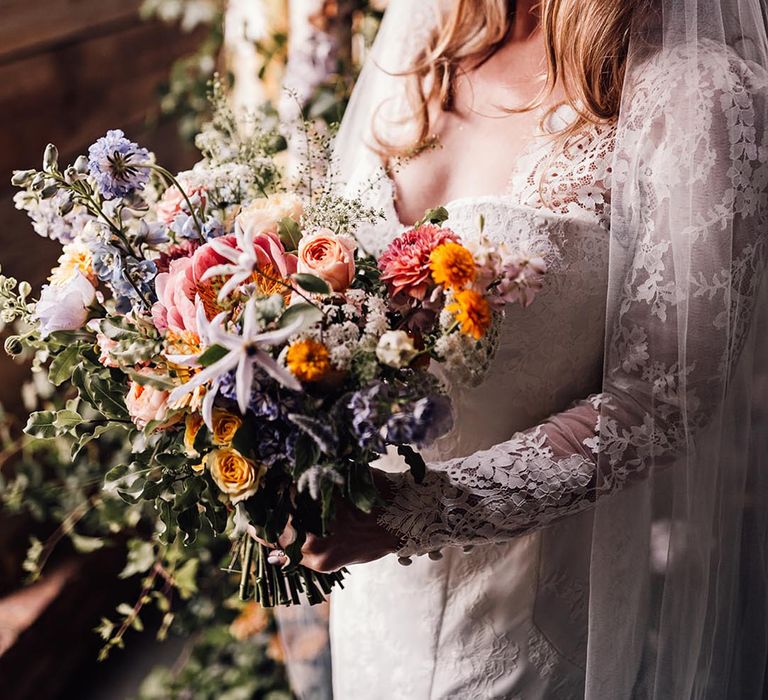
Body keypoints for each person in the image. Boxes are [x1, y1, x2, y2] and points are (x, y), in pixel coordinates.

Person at [287, 1, 768, 697]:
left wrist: (412, 514)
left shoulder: (698, 96)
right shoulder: (435, 34)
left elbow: (665, 402)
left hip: (518, 620)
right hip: (373, 590)